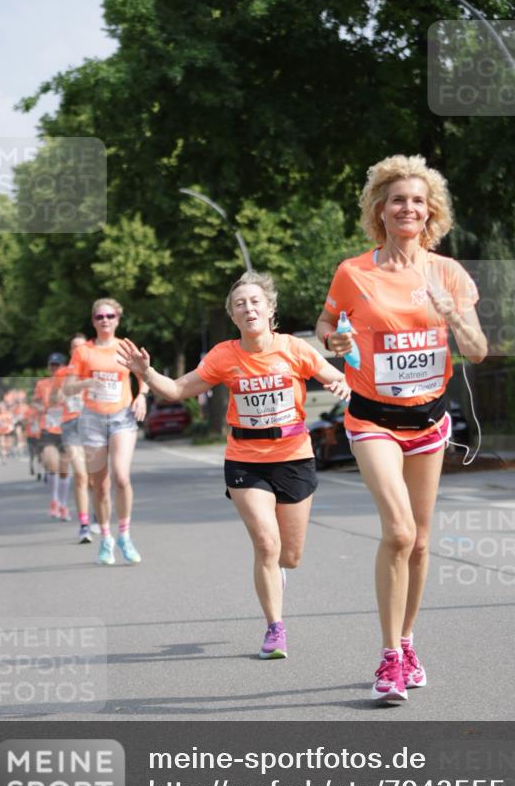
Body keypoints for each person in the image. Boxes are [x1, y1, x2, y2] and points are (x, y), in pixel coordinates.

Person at [315, 154, 487, 704]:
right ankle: (389, 658)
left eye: (417, 200)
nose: (408, 207)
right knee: (400, 532)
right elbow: (327, 322)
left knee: (421, 542)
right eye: (397, 200)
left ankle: (409, 640)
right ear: (380, 211)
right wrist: (333, 340)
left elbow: (479, 352)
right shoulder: (353, 272)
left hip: (429, 421)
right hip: (372, 418)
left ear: (430, 211)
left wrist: (453, 316)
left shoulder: (449, 274)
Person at [117, 270, 350, 659]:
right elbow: (176, 390)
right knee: (265, 542)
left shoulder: (293, 348)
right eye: (240, 304)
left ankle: (277, 574)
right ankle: (275, 628)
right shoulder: (224, 355)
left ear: (270, 308)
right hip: (245, 460)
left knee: (289, 556)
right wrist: (146, 372)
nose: (249, 308)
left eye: (255, 301)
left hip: (293, 457)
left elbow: (332, 374)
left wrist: (340, 384)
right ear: (233, 316)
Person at [64, 298, 149, 565]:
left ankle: (124, 534)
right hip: (92, 420)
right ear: (93, 320)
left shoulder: (125, 347)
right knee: (100, 485)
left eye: (110, 316)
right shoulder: (83, 352)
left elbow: (143, 375)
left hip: (122, 417)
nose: (105, 320)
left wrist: (142, 396)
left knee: (121, 478)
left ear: (117, 319)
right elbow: (67, 387)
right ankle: (105, 538)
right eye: (100, 316)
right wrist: (88, 381)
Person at [51, 333, 93, 543]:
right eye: (74, 348)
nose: (78, 350)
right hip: (70, 425)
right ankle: (84, 525)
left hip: (92, 424)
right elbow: (53, 399)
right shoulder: (62, 373)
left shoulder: (93, 370)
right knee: (80, 475)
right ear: (70, 352)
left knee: (94, 478)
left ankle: (97, 517)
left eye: (81, 347)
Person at [33, 354, 71, 520]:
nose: (55, 368)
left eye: (58, 365)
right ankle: (54, 501)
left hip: (67, 429)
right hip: (48, 429)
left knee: (64, 470)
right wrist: (40, 407)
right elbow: (34, 402)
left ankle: (63, 504)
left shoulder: (70, 385)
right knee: (51, 465)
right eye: (52, 365)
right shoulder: (42, 384)